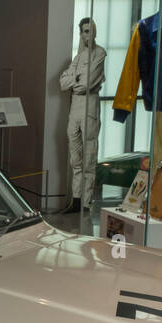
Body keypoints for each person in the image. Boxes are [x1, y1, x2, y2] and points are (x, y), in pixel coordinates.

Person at [60, 17, 107, 213]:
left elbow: (86, 84)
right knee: (75, 159)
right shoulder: (78, 57)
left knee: (89, 158)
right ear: (81, 34)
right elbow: (63, 83)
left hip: (90, 107)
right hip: (75, 109)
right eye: (85, 31)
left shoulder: (100, 53)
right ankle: (77, 200)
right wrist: (76, 81)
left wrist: (76, 81)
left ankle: (86, 203)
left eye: (91, 30)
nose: (88, 34)